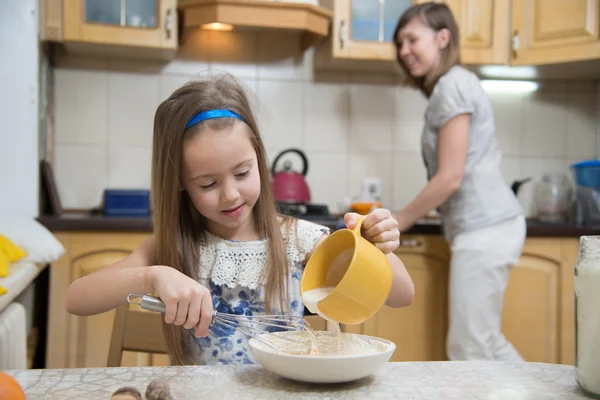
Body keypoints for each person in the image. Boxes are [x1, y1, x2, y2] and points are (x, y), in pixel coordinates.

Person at [65, 73, 415, 366]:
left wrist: (375, 248)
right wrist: (153, 275)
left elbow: (402, 295)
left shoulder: (298, 240)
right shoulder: (174, 247)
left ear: (260, 162)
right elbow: (76, 299)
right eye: (208, 183)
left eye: (242, 173)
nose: (230, 194)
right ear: (181, 184)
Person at [392, 2, 526, 361]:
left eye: (411, 39)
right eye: (399, 43)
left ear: (442, 37)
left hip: (486, 228)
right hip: (486, 227)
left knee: (472, 348)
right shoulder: (451, 86)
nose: (404, 51)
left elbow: (450, 177)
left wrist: (398, 220)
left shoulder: (453, 85)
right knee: (482, 343)